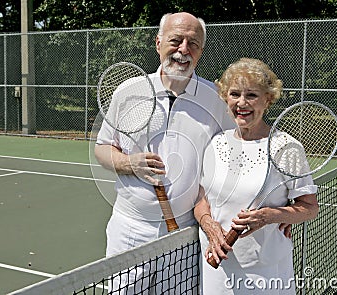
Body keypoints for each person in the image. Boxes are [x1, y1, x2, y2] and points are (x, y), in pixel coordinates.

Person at [94, 12, 233, 293]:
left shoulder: (217, 99)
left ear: (201, 52)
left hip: (183, 234)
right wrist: (127, 162)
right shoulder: (128, 92)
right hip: (130, 230)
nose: (183, 50)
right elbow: (103, 148)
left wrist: (276, 207)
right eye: (175, 40)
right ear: (158, 43)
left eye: (193, 43)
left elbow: (230, 161)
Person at [194, 58, 319, 294]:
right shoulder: (216, 143)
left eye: (251, 95)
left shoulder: (287, 148)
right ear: (225, 97)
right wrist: (208, 224)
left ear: (267, 99)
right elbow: (202, 198)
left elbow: (310, 208)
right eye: (234, 94)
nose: (241, 103)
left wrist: (270, 216)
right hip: (216, 268)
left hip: (265, 273)